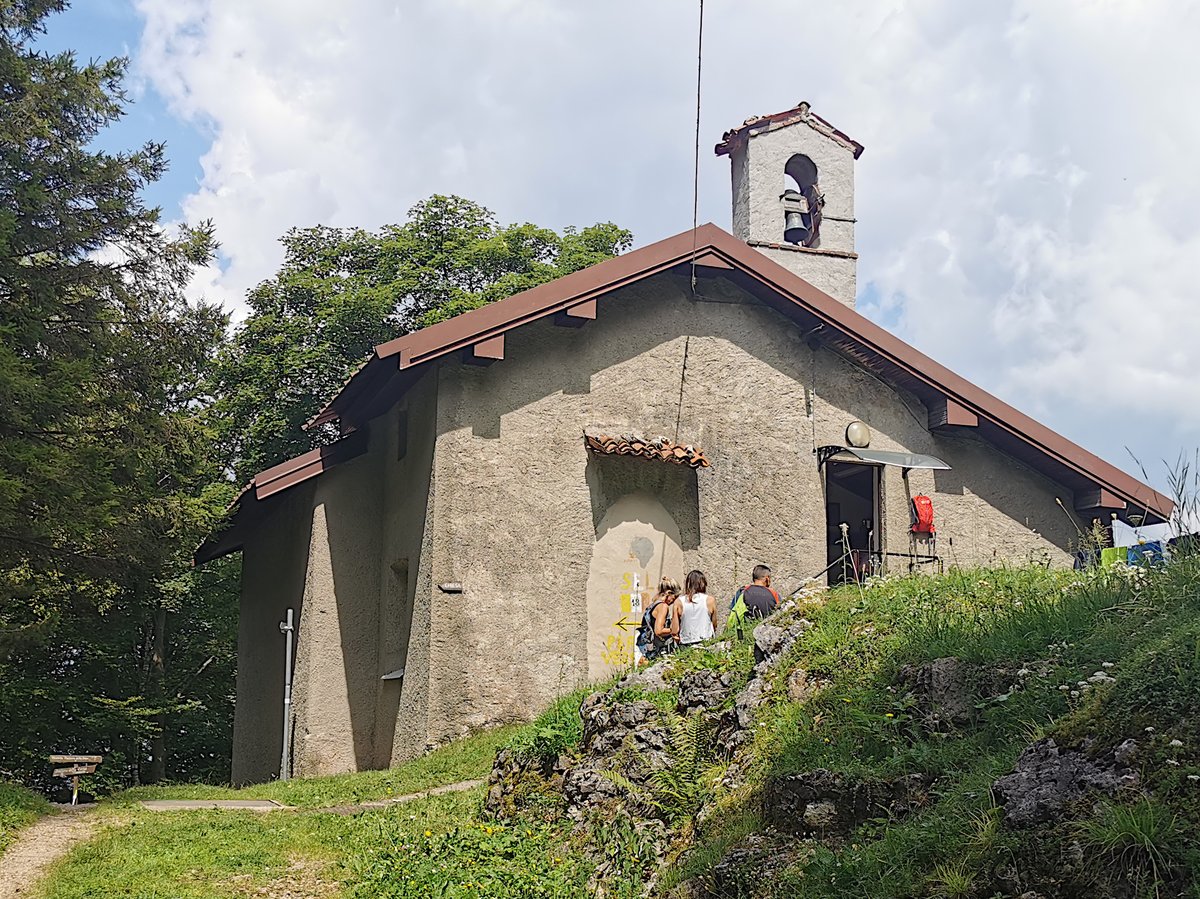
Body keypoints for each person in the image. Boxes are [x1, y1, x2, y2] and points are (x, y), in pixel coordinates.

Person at [636, 576, 680, 661]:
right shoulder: (663, 607)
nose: (673, 602)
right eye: (674, 598)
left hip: (648, 651)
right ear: (669, 593)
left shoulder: (653, 605)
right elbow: (659, 631)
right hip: (657, 652)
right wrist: (675, 630)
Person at [676, 569, 717, 647]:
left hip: (686, 642)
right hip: (706, 641)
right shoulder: (710, 600)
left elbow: (675, 629)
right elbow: (714, 623)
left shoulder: (679, 601)